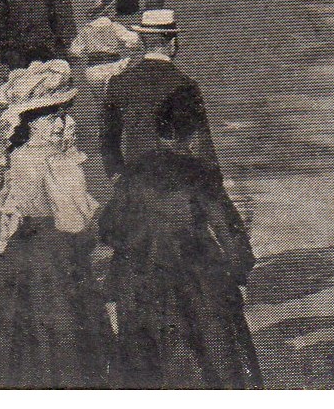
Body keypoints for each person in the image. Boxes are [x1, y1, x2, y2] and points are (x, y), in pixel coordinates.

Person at [99, 90, 261, 388]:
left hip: (140, 283)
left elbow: (108, 228)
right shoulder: (200, 172)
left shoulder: (134, 171)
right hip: (196, 279)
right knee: (218, 363)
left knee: (146, 370)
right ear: (190, 135)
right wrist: (239, 274)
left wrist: (141, 240)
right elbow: (229, 230)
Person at [0, 60, 110, 389]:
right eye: (51, 117)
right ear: (29, 122)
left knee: (20, 333)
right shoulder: (57, 161)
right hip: (57, 252)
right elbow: (76, 221)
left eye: (61, 115)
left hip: (21, 251)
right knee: (66, 332)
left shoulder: (14, 156)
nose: (60, 124)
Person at [99, 10, 217, 179]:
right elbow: (200, 141)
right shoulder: (186, 85)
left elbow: (108, 137)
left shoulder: (119, 82)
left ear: (141, 41)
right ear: (173, 42)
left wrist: (116, 175)